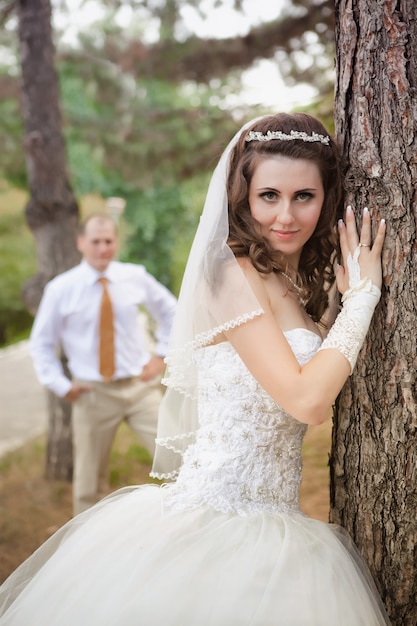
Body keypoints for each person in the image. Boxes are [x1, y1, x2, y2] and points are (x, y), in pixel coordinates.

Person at [0, 113, 390, 625]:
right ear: (244, 196)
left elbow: (311, 365)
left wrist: (338, 306)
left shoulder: (290, 283)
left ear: (326, 199)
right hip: (218, 520)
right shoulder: (232, 272)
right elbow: (307, 400)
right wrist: (364, 300)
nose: (286, 216)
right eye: (269, 195)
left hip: (278, 521)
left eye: (304, 197)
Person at [28, 214, 177, 515]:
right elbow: (41, 343)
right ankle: (86, 553)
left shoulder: (134, 276)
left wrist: (162, 355)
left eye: (108, 241)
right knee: (88, 487)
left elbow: (171, 310)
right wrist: (62, 386)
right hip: (92, 394)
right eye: (95, 241)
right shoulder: (61, 288)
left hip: (139, 388)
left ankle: (191, 529)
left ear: (115, 242)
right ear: (81, 243)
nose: (102, 248)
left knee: (178, 460)